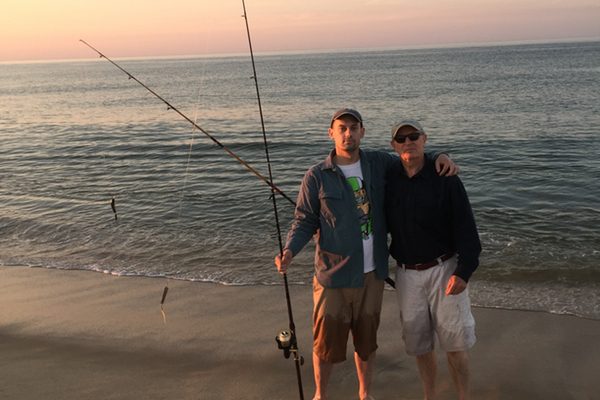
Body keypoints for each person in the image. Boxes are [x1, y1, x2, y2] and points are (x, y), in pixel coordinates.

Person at [274, 109, 458, 400]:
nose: (348, 133)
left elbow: (410, 155)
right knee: (325, 344)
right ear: (331, 133)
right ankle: (321, 395)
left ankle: (364, 394)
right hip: (333, 276)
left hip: (372, 274)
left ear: (362, 131)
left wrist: (439, 156)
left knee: (366, 343)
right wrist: (289, 251)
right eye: (342, 128)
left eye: (353, 128)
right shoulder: (316, 176)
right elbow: (304, 220)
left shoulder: (378, 163)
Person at [385, 119, 481, 400]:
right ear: (393, 146)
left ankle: (463, 396)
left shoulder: (446, 177)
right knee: (420, 346)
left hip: (445, 269)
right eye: (401, 139)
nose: (408, 143)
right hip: (406, 275)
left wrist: (464, 272)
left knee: (456, 344)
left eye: (413, 136)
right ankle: (430, 396)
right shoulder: (388, 178)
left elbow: (467, 228)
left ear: (424, 139)